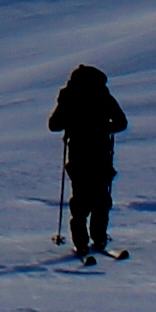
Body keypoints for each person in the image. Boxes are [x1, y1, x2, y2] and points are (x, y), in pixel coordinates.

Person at [49, 62, 128, 259]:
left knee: (81, 201)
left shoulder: (69, 96)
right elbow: (121, 123)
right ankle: (99, 238)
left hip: (79, 155)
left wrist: (73, 124)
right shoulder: (102, 94)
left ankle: (81, 243)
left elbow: (54, 125)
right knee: (101, 200)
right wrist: (104, 129)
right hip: (101, 154)